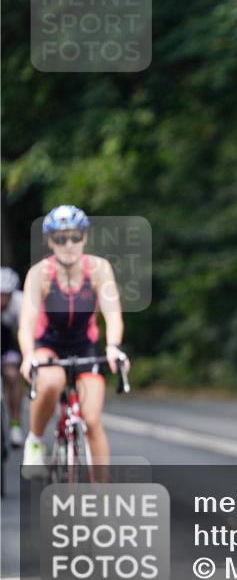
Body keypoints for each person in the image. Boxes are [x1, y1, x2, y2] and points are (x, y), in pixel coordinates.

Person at [19, 205, 130, 479]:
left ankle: (102, 500)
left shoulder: (98, 269)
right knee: (53, 380)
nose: (68, 245)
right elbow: (27, 323)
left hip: (85, 348)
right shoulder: (40, 274)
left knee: (92, 421)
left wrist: (113, 346)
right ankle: (34, 440)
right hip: (49, 346)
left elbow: (113, 315)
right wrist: (27, 355)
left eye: (75, 237)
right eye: (60, 238)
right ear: (50, 241)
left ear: (84, 237)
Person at [1, 266, 24, 446]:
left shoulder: (20, 303)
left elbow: (26, 332)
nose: (1, 299)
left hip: (10, 345)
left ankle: (15, 424)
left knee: (12, 375)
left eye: (5, 294)